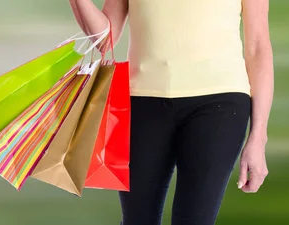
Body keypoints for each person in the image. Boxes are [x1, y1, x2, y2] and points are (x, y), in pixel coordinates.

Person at [69, 0, 274, 224]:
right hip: (142, 100)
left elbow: (258, 47)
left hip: (219, 101)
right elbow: (106, 38)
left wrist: (258, 136)